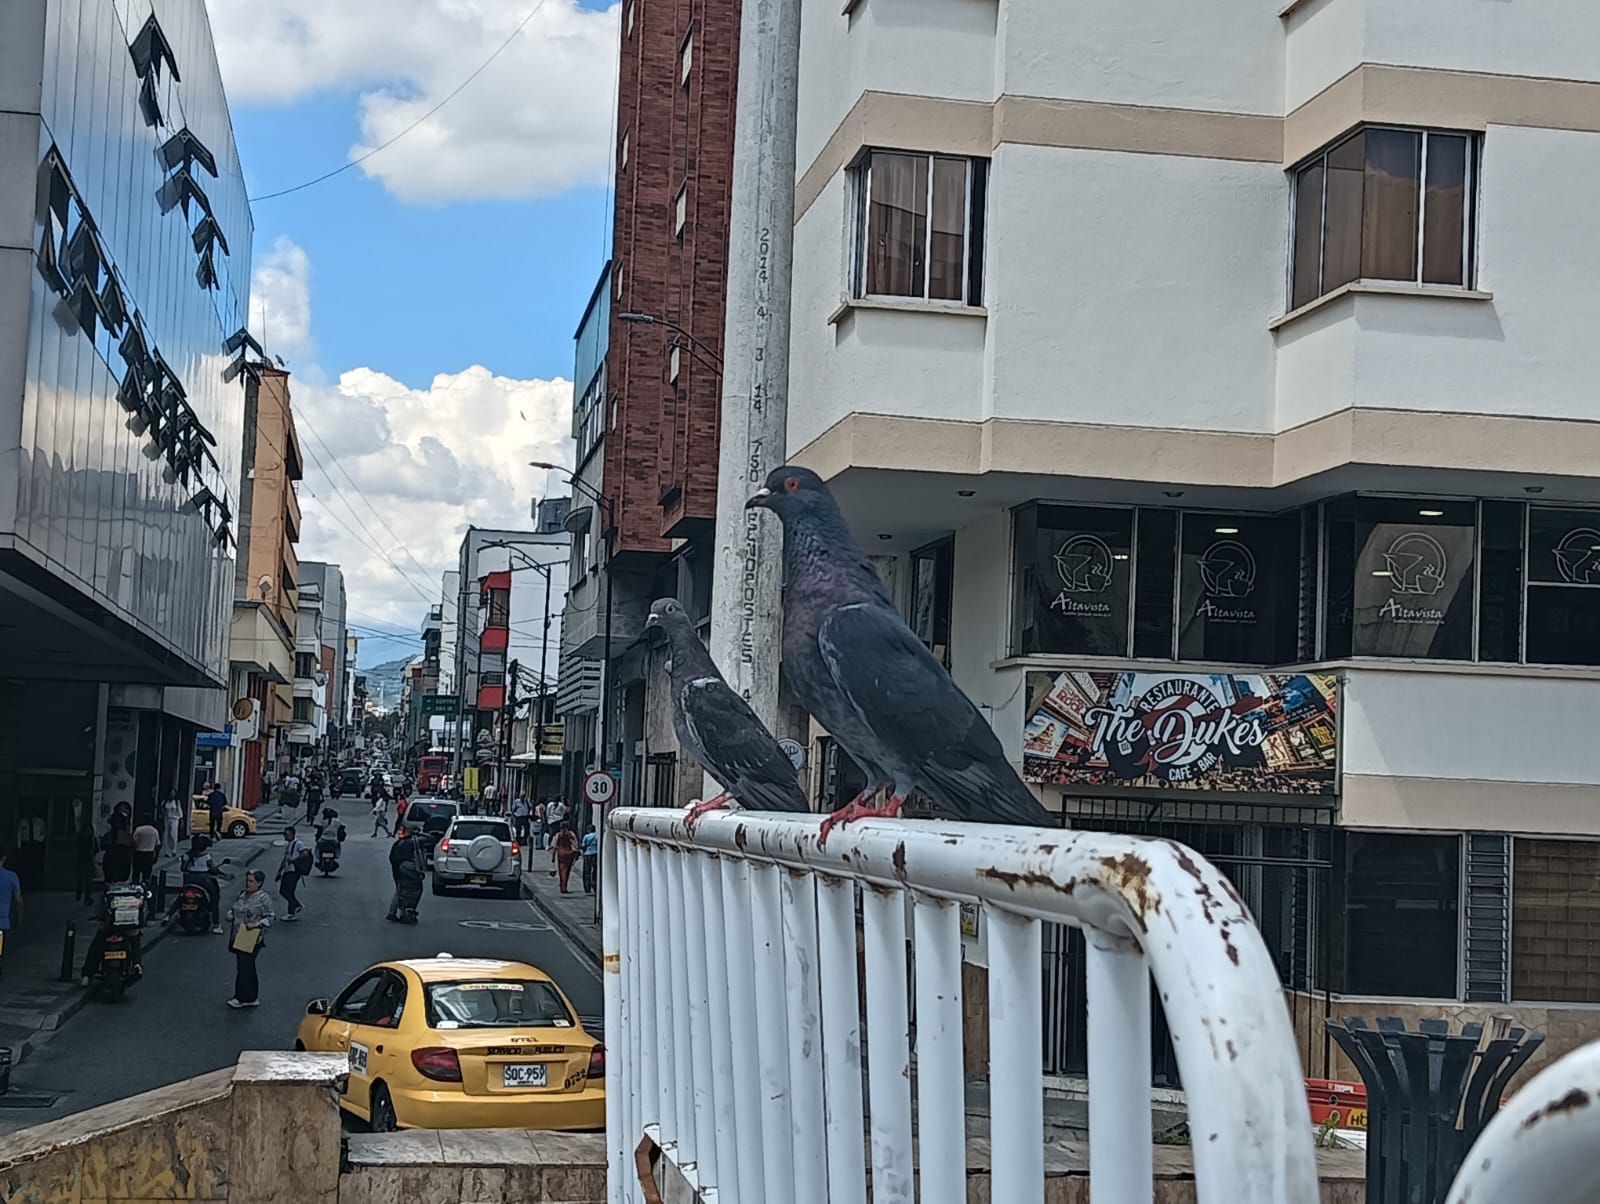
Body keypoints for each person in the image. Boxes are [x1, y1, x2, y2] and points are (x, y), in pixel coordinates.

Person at [226, 870, 273, 1008]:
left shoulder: (263, 898)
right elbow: (234, 909)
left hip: (252, 937)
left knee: (244, 966)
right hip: (238, 935)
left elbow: (270, 917)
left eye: (251, 881)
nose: (248, 884)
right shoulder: (242, 895)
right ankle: (252, 996)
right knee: (248, 966)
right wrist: (230, 914)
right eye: (247, 880)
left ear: (259, 883)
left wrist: (257, 924)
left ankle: (241, 997)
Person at [386, 827, 426, 922]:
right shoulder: (416, 842)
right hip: (410, 868)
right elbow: (431, 839)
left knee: (400, 890)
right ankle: (407, 912)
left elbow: (392, 857)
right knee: (414, 890)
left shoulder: (398, 843)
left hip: (399, 868)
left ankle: (393, 911)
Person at [276, 827, 308, 921]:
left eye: (287, 834)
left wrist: (294, 860)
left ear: (293, 834)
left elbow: (305, 853)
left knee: (286, 891)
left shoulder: (298, 843)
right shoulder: (289, 844)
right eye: (284, 834)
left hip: (294, 871)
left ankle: (294, 908)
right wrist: (279, 871)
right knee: (286, 891)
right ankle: (293, 909)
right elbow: (285, 859)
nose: (285, 836)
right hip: (288, 870)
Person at [0, 848, 21, 975]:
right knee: (1, 949)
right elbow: (18, 900)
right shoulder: (12, 876)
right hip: (3, 920)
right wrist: (19, 917)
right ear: (4, 858)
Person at [73, 817, 97, 903]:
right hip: (84, 859)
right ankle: (81, 894)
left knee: (86, 879)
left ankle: (83, 895)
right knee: (83, 879)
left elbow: (96, 849)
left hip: (86, 859)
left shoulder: (88, 839)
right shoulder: (84, 839)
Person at [551, 823, 579, 894]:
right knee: (567, 870)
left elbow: (554, 845)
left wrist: (553, 856)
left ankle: (562, 886)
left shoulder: (558, 834)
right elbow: (575, 844)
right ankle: (564, 886)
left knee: (561, 871)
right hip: (569, 853)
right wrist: (577, 852)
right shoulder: (571, 834)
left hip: (561, 854)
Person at [161, 790, 182, 855]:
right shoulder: (165, 802)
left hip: (174, 819)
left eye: (173, 793)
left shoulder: (176, 802)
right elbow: (162, 809)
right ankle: (167, 851)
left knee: (173, 834)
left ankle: (173, 850)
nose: (172, 794)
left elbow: (179, 810)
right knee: (166, 835)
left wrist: (181, 818)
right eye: (171, 793)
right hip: (166, 819)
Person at [580, 824, 599, 894]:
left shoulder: (586, 836)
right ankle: (594, 885)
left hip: (587, 854)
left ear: (588, 830)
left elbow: (584, 846)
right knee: (595, 871)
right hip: (595, 854)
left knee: (586, 872)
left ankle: (587, 888)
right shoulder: (596, 836)